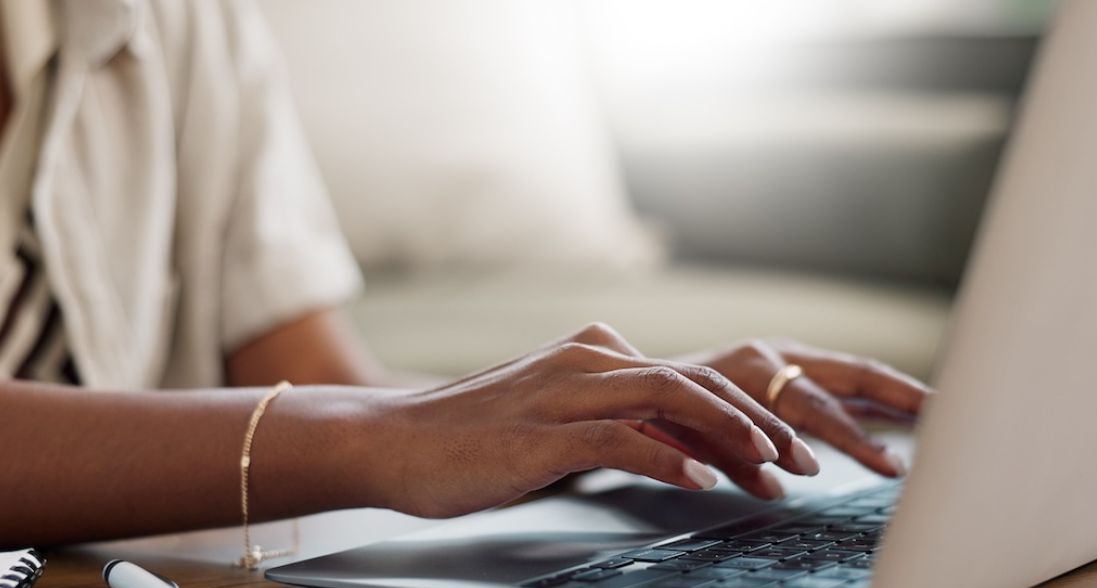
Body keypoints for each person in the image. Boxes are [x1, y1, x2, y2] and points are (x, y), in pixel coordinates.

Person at [0, 0, 929, 550]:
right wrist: (377, 437)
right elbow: (359, 429)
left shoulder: (190, 22)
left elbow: (311, 377)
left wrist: (610, 414)